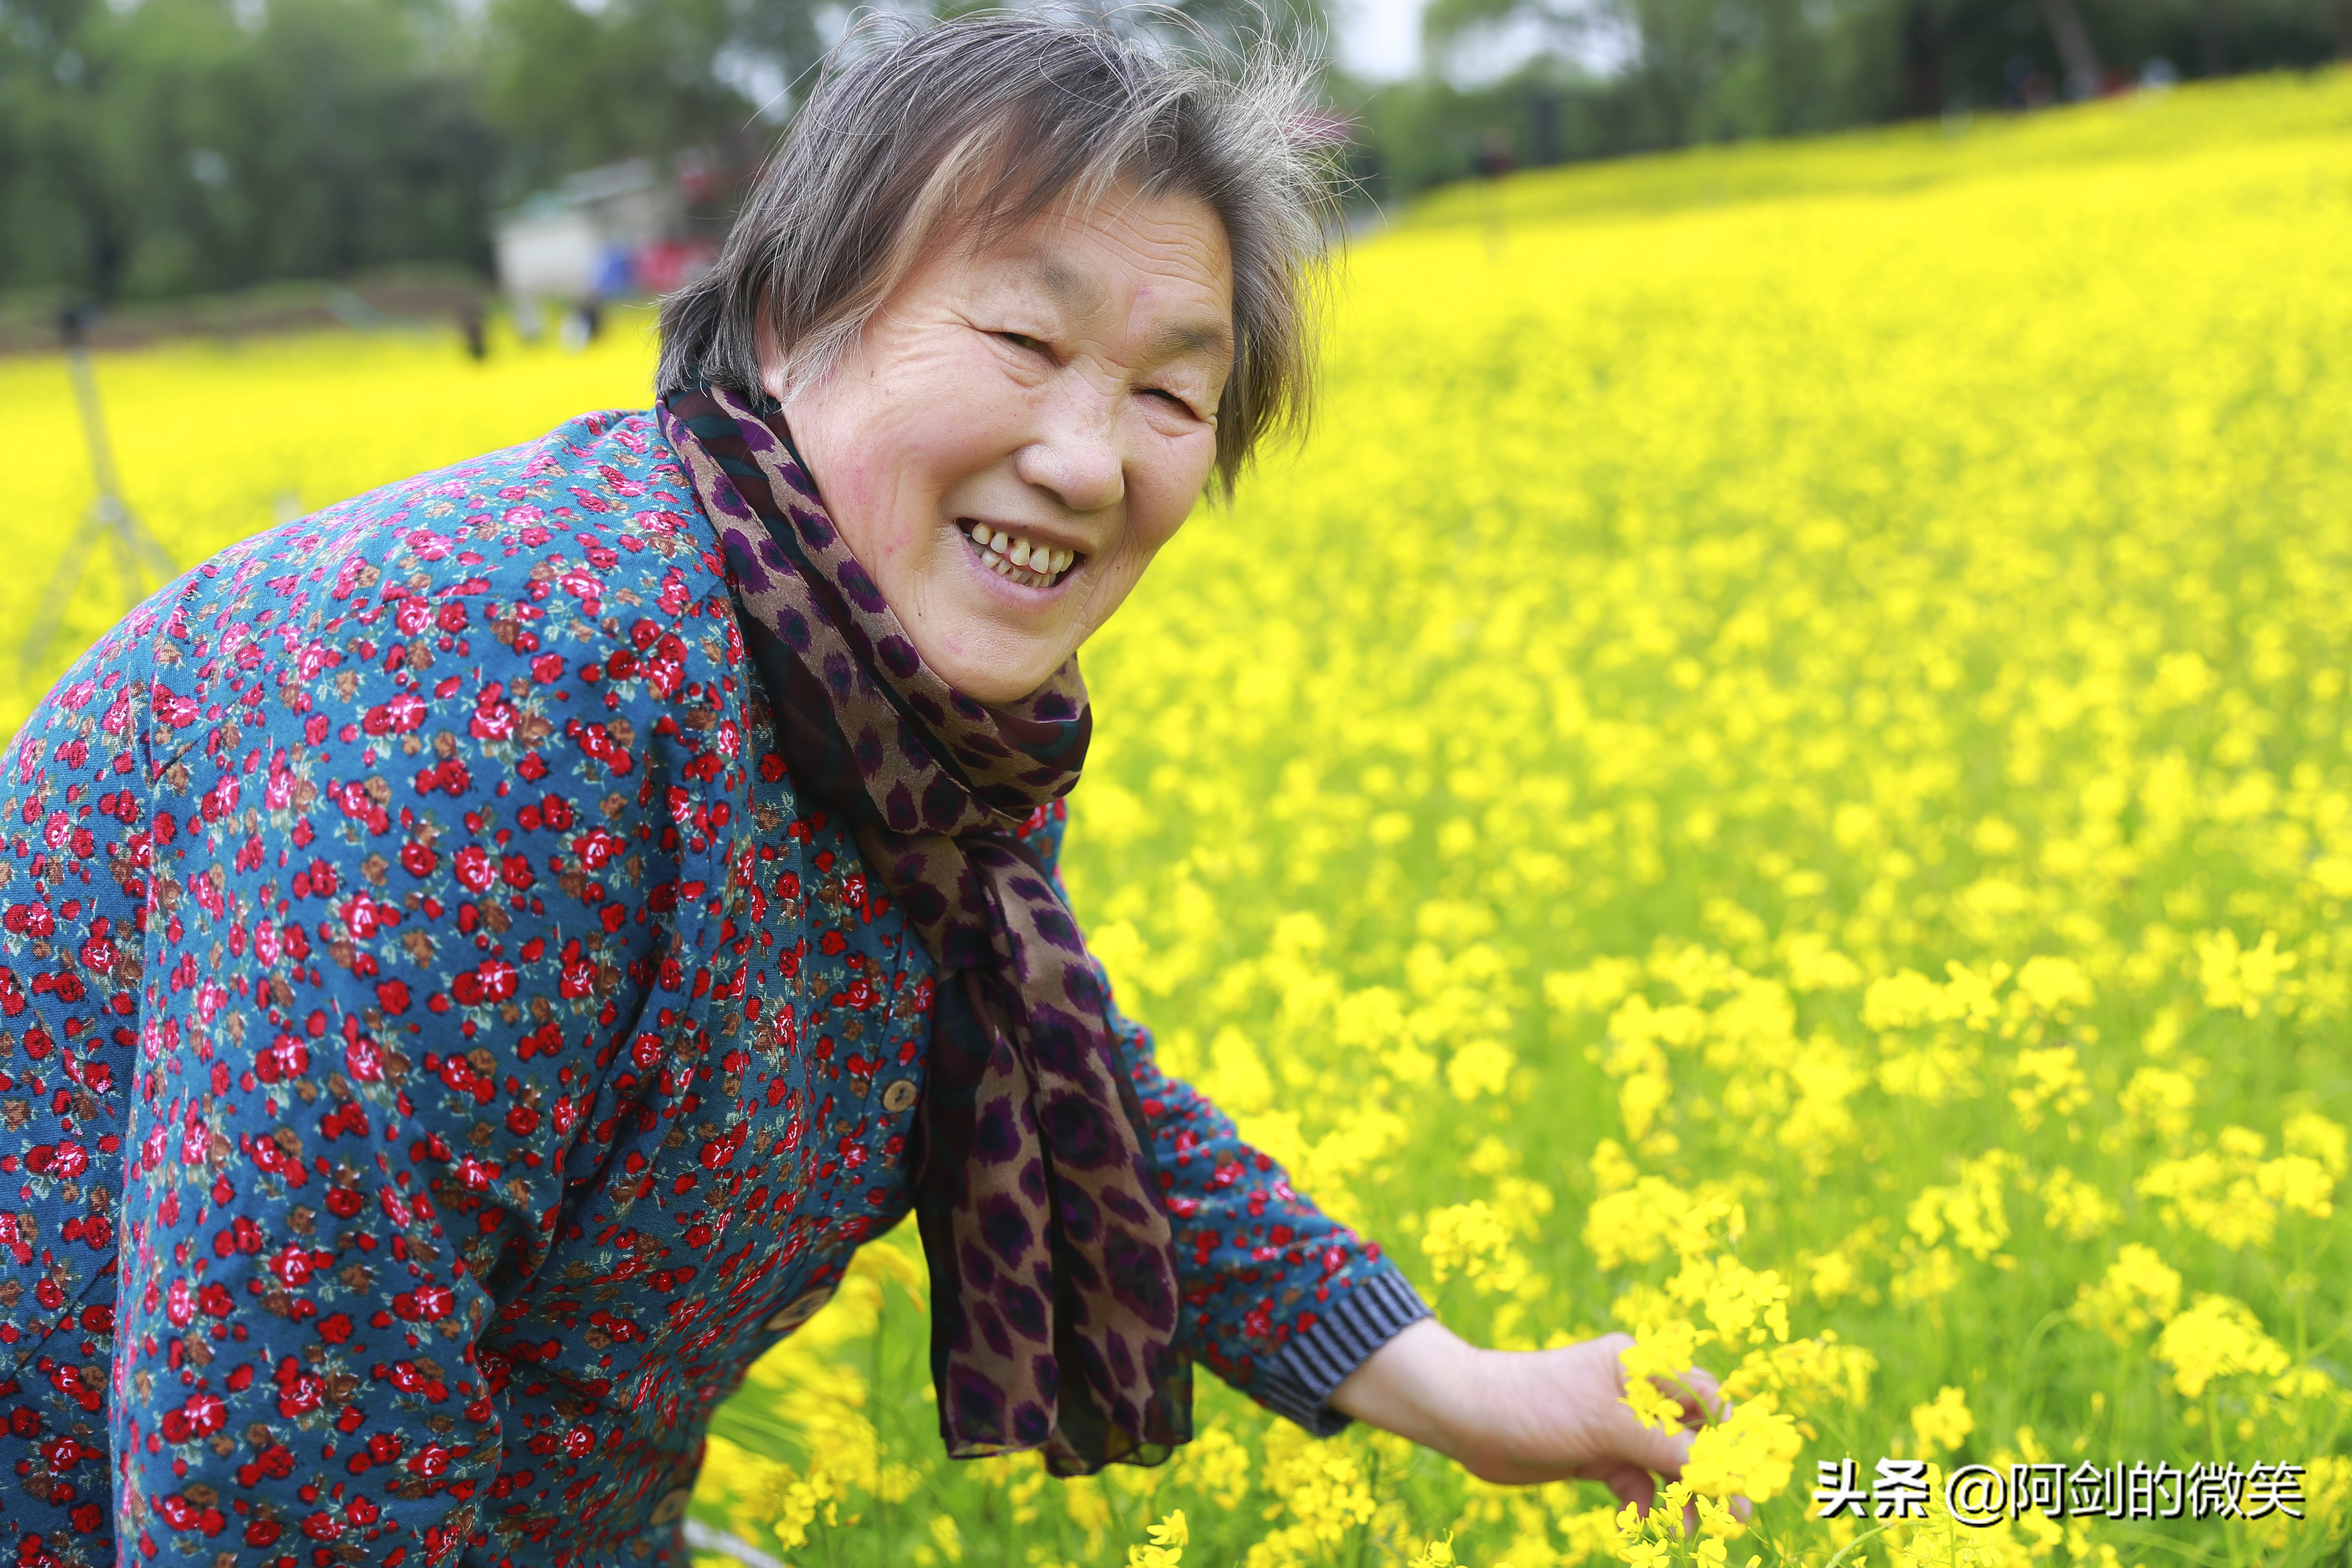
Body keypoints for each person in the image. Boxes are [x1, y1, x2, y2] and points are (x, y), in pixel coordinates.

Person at [0, 16, 1720, 1567]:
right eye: (1023, 340)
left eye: (1172, 394)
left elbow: (1043, 1075)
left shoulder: (911, 712)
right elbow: (273, 1463)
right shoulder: (508, 698)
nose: (1086, 455)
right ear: (781, 318)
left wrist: (1459, 1386)